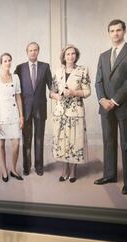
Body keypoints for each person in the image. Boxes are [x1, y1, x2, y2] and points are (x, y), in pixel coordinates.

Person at [94, 19, 127, 195]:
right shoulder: (103, 55)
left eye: (118, 30)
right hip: (105, 106)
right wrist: (102, 100)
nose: (115, 33)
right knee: (109, 141)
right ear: (108, 33)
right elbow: (98, 81)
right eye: (112, 31)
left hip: (124, 105)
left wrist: (114, 101)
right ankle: (109, 175)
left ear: (124, 31)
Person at [50, 44, 91, 182]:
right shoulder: (57, 71)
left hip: (75, 112)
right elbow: (51, 92)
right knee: (62, 141)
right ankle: (64, 170)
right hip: (60, 113)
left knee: (75, 140)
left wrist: (73, 93)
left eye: (73, 53)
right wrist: (56, 96)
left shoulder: (82, 70)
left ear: (76, 56)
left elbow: (87, 91)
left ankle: (73, 171)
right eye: (68, 54)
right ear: (64, 56)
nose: (70, 56)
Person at [14, 42, 53, 176]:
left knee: (39, 138)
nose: (33, 52)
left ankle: (39, 167)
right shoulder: (20, 68)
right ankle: (26, 167)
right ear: (27, 52)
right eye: (30, 50)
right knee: (27, 139)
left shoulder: (45, 67)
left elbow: (52, 86)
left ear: (38, 51)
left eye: (35, 50)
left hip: (40, 108)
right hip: (25, 110)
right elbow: (11, 83)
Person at [0, 53, 24, 182]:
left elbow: (18, 97)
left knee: (16, 143)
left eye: (9, 60)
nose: (8, 63)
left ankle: (13, 169)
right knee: (1, 143)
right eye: (5, 61)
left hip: (14, 115)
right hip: (1, 115)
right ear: (1, 63)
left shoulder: (15, 78)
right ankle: (4, 170)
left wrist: (21, 116)